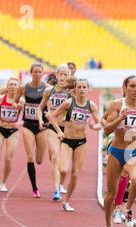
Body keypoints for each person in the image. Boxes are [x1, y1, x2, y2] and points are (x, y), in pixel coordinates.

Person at [101, 75, 136, 227]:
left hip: (134, 151)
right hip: (116, 151)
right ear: (125, 87)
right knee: (110, 195)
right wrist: (120, 118)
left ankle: (128, 209)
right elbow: (106, 131)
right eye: (132, 86)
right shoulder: (117, 105)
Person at [49, 79, 100, 212]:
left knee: (76, 174)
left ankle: (66, 201)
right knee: (64, 169)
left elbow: (99, 122)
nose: (82, 89)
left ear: (88, 89)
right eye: (79, 87)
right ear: (75, 89)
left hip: (81, 142)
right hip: (67, 140)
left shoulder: (91, 105)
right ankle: (59, 186)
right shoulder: (68, 103)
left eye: (84, 87)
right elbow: (52, 116)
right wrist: (59, 131)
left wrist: (94, 126)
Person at [38, 65, 71, 201]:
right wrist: (40, 120)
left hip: (68, 130)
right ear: (56, 75)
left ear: (69, 76)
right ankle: (56, 189)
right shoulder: (48, 91)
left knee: (64, 168)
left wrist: (67, 116)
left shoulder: (72, 92)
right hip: (52, 127)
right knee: (55, 157)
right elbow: (40, 108)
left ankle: (61, 182)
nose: (63, 77)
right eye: (61, 74)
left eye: (65, 74)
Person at [16, 63, 48, 198]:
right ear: (31, 73)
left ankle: (37, 150)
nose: (37, 74)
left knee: (39, 159)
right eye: (35, 72)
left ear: (42, 73)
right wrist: (19, 105)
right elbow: (16, 102)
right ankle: (35, 188)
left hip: (42, 126)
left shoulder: (47, 88)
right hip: (28, 124)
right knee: (30, 157)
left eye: (39, 72)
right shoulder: (24, 88)